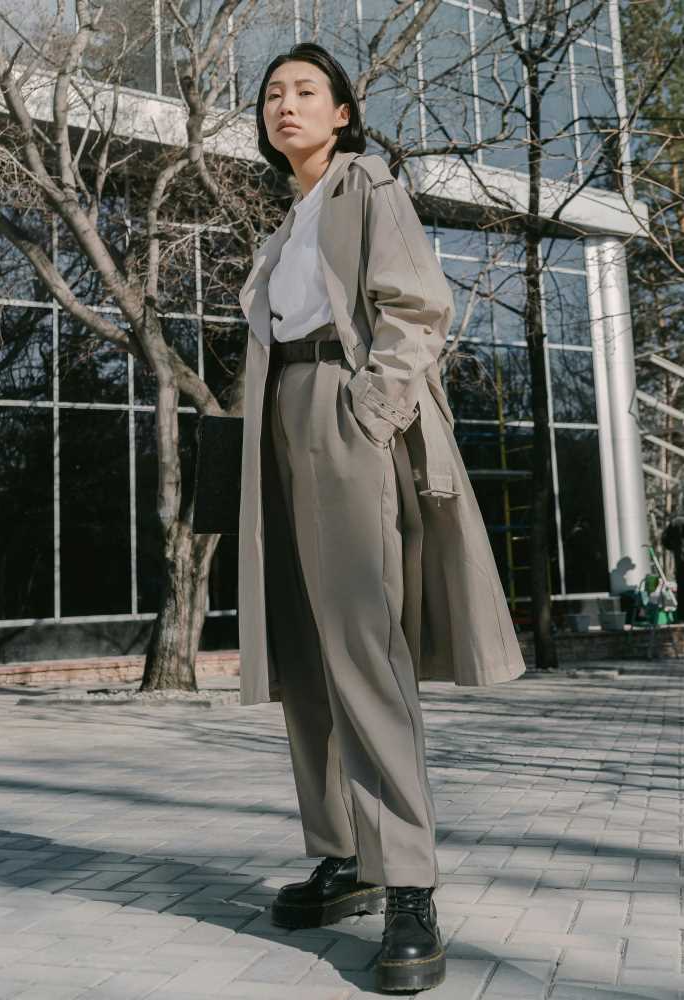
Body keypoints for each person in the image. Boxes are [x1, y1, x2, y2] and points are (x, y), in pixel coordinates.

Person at [237, 41, 526, 994]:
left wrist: (371, 414)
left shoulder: (367, 187)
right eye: (273, 94)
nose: (286, 106)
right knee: (305, 652)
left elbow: (418, 308)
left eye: (306, 92)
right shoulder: (289, 220)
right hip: (281, 422)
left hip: (342, 415)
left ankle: (408, 879)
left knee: (363, 646)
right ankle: (345, 857)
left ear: (344, 114)